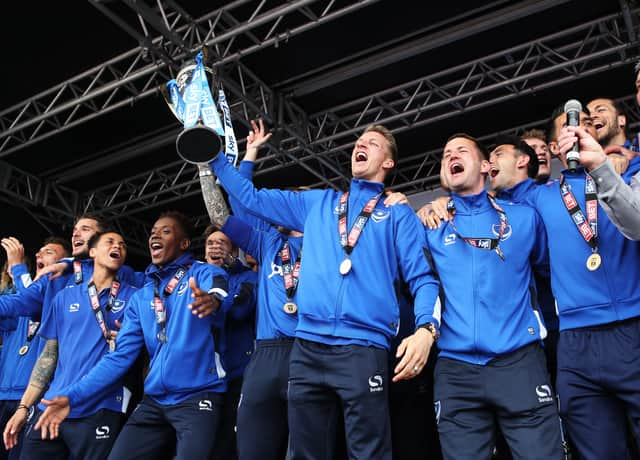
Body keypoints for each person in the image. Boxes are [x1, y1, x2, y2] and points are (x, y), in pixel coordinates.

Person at [207, 123, 440, 459]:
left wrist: (425, 330)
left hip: (363, 348)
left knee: (367, 453)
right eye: (358, 141)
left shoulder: (396, 215)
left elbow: (423, 278)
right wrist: (215, 159)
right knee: (305, 453)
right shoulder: (317, 204)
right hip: (308, 349)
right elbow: (251, 198)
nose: (361, 145)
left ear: (387, 163)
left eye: (372, 143)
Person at [33, 212, 230, 460]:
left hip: (198, 395)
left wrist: (213, 300)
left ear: (184, 244)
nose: (155, 235)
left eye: (166, 231)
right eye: (153, 232)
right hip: (155, 400)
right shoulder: (141, 297)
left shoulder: (200, 273)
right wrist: (72, 397)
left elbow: (221, 286)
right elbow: (119, 358)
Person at [425, 133, 562, 460]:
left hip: (519, 360)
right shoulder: (431, 224)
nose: (450, 156)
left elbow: (546, 273)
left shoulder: (524, 217)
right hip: (456, 369)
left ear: (486, 166)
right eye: (445, 154)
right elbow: (420, 284)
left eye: (460, 150)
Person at [3, 231, 137, 460]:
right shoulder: (64, 297)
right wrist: (24, 408)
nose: (118, 246)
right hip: (51, 406)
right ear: (92, 252)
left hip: (100, 408)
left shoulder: (135, 297)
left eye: (123, 244)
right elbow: (48, 357)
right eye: (110, 242)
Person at [0, 237, 69, 460]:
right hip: (3, 395)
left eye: (48, 252)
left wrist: (18, 267)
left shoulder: (61, 298)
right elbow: (17, 302)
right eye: (38, 252)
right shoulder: (18, 304)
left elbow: (33, 298)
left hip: (31, 399)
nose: (39, 255)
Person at [203, 224, 258, 460]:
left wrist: (220, 285)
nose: (215, 247)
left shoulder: (248, 278)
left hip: (235, 374)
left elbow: (239, 311)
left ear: (234, 252)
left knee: (227, 445)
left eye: (221, 243)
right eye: (210, 243)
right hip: (198, 380)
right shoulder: (191, 280)